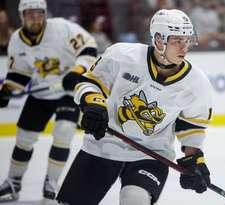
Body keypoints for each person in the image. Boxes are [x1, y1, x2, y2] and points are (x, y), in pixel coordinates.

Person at [56, 9, 213, 205]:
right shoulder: (122, 55)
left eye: (187, 40)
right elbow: (89, 83)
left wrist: (195, 159)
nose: (184, 47)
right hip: (102, 145)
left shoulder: (197, 83)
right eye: (177, 41)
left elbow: (192, 126)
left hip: (152, 154)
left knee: (135, 200)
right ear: (158, 41)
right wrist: (93, 105)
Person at [0, 0, 97, 202]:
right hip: (41, 94)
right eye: (30, 14)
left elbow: (89, 48)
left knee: (64, 132)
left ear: (45, 14)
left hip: (68, 93)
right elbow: (20, 72)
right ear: (22, 16)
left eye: (39, 13)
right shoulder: (17, 41)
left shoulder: (62, 28)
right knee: (23, 138)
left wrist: (77, 71)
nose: (35, 18)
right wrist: (7, 89)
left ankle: (51, 182)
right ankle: (13, 182)